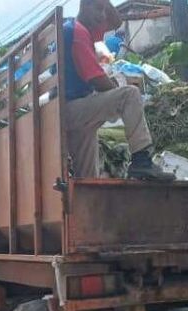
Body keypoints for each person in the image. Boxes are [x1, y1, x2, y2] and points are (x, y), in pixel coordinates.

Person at [64, 0, 173, 180]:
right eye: (98, 9)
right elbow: (96, 79)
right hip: (73, 108)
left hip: (72, 112)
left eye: (104, 10)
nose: (102, 15)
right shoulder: (77, 31)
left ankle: (86, 205)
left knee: (88, 179)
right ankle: (141, 161)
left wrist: (104, 4)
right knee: (129, 95)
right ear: (84, 6)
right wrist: (116, 93)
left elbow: (116, 23)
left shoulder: (82, 29)